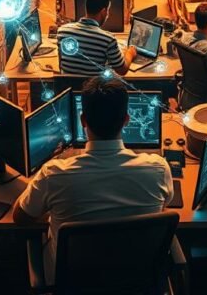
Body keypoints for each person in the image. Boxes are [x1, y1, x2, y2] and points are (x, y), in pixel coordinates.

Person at [12, 77, 173, 281]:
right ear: (126, 120)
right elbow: (164, 207)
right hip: (135, 281)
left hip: (71, 281)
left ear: (83, 120)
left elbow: (21, 217)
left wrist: (53, 213)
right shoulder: (158, 168)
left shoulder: (54, 173)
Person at [57, 0, 137, 76]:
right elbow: (122, 71)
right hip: (94, 87)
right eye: (108, 11)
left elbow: (61, 65)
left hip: (68, 87)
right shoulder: (108, 39)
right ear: (103, 11)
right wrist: (130, 53)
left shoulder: (62, 31)